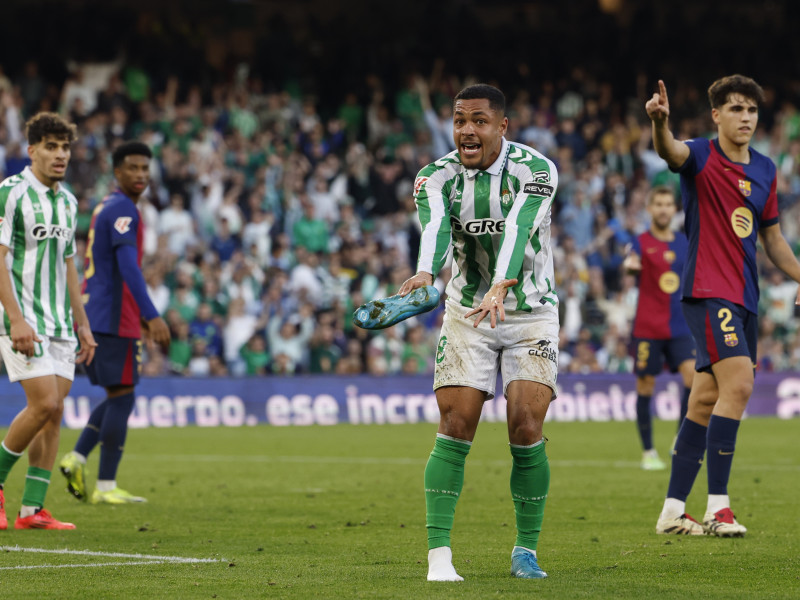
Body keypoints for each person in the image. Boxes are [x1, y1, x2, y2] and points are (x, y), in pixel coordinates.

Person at [398, 84, 558, 580]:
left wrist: (500, 285)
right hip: (468, 311)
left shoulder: (535, 170)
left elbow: (518, 227)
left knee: (527, 425)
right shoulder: (436, 176)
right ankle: (439, 557)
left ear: (502, 126)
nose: (467, 130)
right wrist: (425, 272)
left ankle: (525, 550)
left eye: (479, 120)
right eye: (460, 120)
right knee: (456, 424)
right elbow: (436, 230)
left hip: (529, 312)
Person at [647, 76, 800, 537]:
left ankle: (673, 510)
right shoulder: (700, 154)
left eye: (752, 110)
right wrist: (659, 123)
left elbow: (771, 238)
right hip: (710, 290)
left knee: (706, 398)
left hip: (745, 297)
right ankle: (718, 507)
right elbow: (670, 152)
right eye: (736, 109)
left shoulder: (767, 170)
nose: (746, 118)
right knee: (742, 385)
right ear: (717, 115)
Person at [0, 112, 97, 530]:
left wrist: (83, 323)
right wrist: (16, 319)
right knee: (45, 403)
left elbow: (69, 266)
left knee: (54, 415)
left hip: (60, 323)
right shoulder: (11, 193)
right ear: (32, 150)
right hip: (23, 320)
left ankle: (31, 510)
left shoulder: (68, 201)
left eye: (65, 147)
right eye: (52, 146)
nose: (61, 155)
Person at [59, 141, 170, 505]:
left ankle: (77, 458)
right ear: (117, 171)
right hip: (113, 317)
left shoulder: (108, 205)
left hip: (102, 312)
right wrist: (150, 314)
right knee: (123, 398)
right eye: (132, 168)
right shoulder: (124, 209)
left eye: (144, 168)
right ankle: (106, 486)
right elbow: (128, 266)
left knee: (118, 395)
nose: (140, 175)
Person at [623, 185, 695, 471]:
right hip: (648, 327)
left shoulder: (684, 242)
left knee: (693, 379)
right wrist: (631, 265)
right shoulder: (640, 242)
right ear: (650, 209)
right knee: (646, 385)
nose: (664, 209)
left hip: (680, 325)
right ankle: (648, 451)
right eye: (659, 204)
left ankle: (679, 439)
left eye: (668, 204)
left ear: (674, 210)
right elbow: (631, 262)